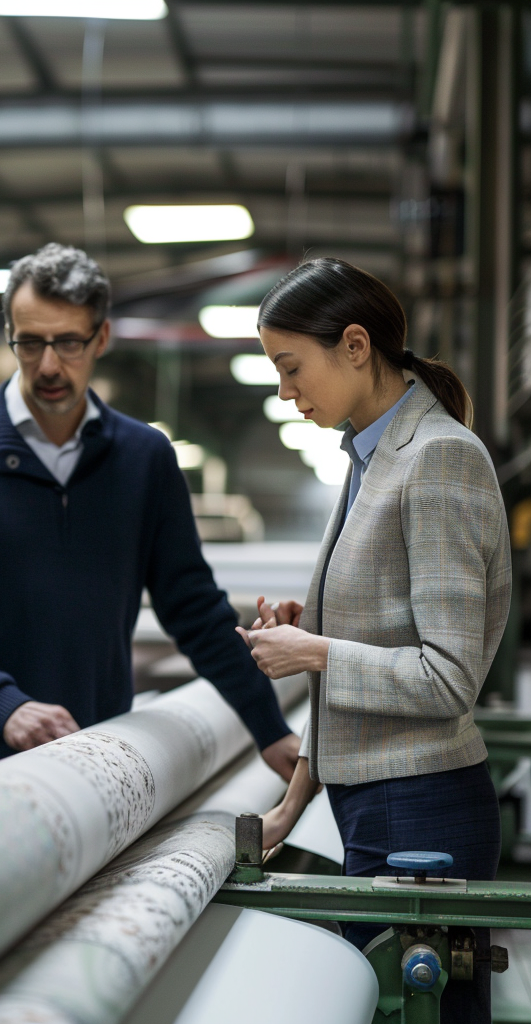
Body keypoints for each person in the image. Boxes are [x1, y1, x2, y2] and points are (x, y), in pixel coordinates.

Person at [0, 243, 297, 773]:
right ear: (9, 336)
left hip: (100, 754)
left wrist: (270, 731)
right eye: (30, 343)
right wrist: (4, 704)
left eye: (68, 343)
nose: (48, 365)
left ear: (102, 338)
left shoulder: (144, 458)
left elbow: (194, 608)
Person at [240, 258, 509, 1024]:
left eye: (292, 369)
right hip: (379, 809)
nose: (286, 392)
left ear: (355, 346)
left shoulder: (438, 459)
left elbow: (447, 676)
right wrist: (292, 806)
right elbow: (383, 644)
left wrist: (314, 652)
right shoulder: (369, 458)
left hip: (420, 814)